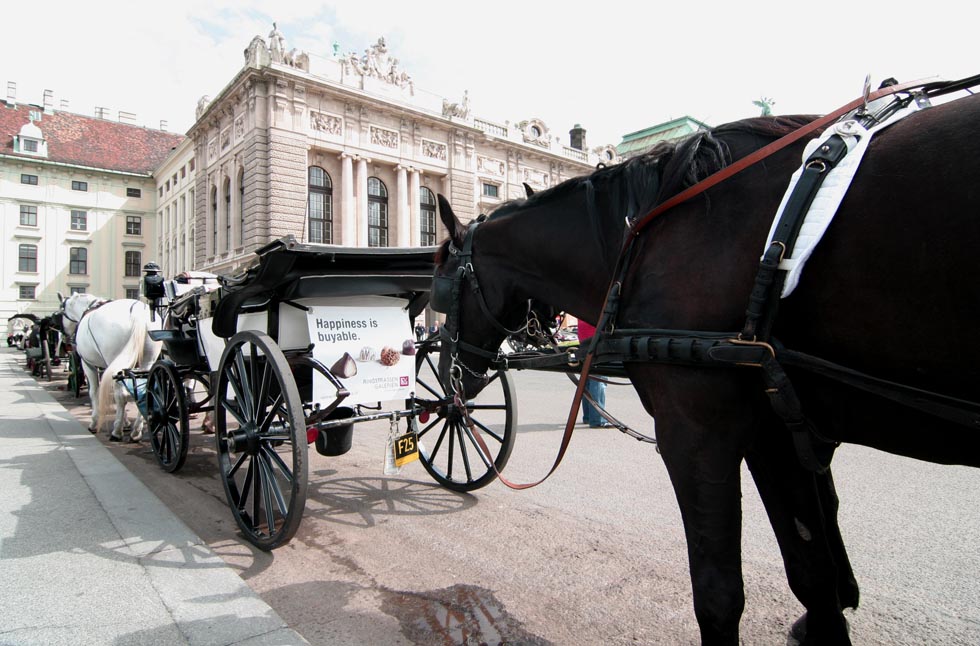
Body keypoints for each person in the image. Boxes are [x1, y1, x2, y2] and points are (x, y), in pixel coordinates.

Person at [577, 320, 607, 427]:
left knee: (587, 382)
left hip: (584, 340)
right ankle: (598, 420)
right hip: (596, 342)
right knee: (598, 382)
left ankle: (588, 416)